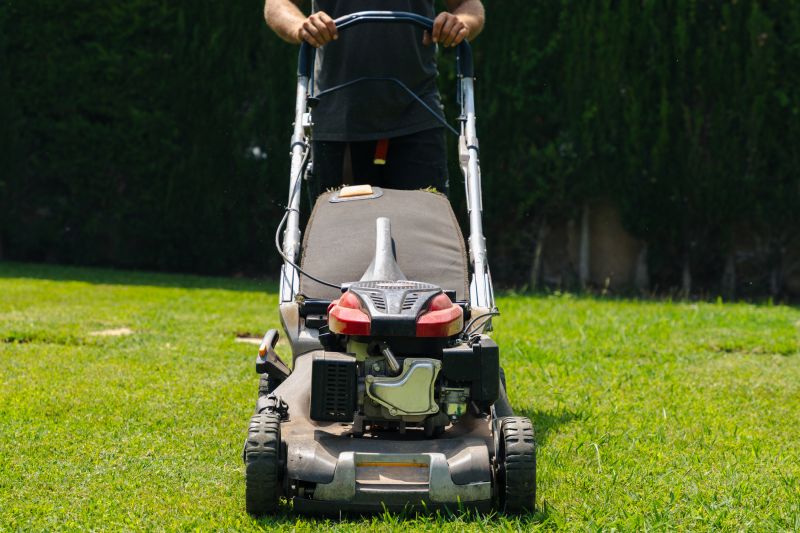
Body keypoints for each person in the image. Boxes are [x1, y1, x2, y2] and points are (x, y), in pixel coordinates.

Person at [264, 0, 485, 201]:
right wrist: (302, 27)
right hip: (338, 124)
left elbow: (469, 6)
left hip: (417, 120)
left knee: (423, 233)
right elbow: (277, 4)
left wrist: (459, 24)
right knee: (339, 238)